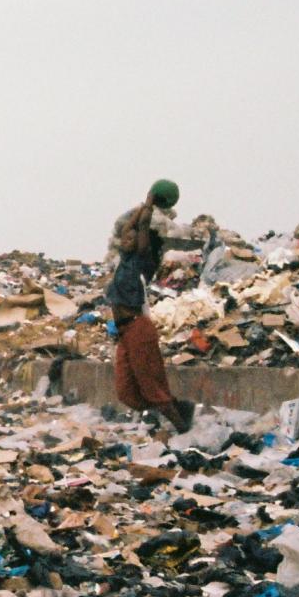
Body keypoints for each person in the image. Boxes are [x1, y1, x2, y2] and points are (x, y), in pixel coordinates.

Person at [109, 179, 194, 432]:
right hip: (125, 332)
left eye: (133, 237)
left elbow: (143, 227)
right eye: (127, 237)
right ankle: (178, 407)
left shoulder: (142, 260)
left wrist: (149, 203)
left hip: (138, 328)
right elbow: (129, 227)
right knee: (127, 393)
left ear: (141, 243)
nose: (127, 238)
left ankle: (183, 429)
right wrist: (140, 209)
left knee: (153, 389)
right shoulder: (126, 258)